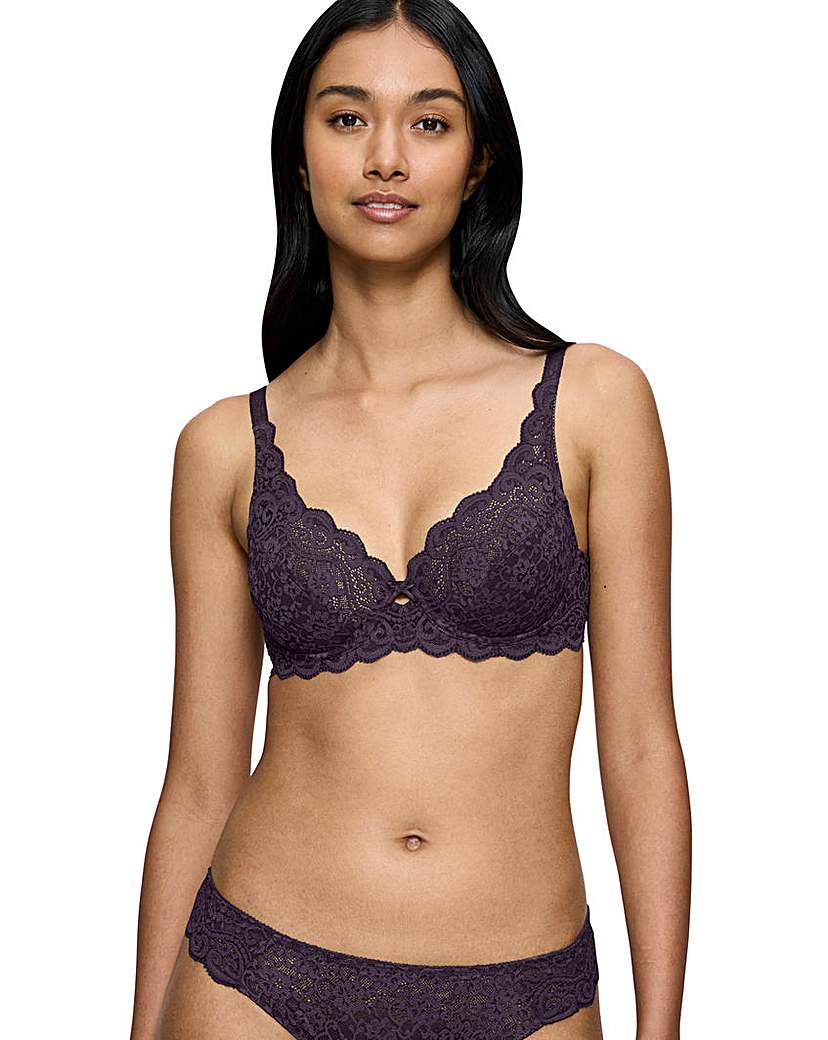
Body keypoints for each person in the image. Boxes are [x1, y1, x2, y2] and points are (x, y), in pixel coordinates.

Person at [131, 3, 691, 1039]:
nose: (385, 156)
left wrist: (662, 1026)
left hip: (521, 988)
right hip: (254, 974)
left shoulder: (594, 401)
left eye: (429, 122)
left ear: (479, 164)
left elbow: (643, 747)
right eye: (347, 119)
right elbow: (200, 782)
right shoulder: (223, 447)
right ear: (298, 155)